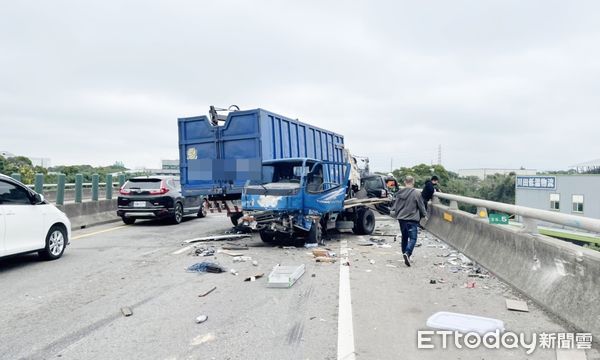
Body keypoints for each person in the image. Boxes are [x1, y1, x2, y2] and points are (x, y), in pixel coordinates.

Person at [391, 176, 427, 267]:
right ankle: (407, 253)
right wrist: (424, 215)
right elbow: (421, 206)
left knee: (404, 237)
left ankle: (405, 254)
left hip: (401, 219)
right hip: (412, 219)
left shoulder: (400, 193)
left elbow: (395, 206)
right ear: (413, 182)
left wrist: (397, 215)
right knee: (413, 238)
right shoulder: (417, 193)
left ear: (404, 182)